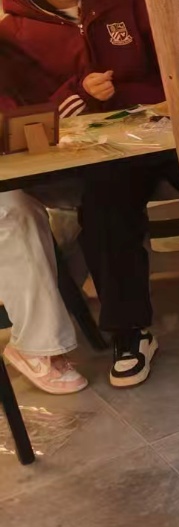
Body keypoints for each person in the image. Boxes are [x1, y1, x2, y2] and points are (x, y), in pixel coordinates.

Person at [0, 0, 164, 386]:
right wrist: (78, 95)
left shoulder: (125, 0)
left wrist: (122, 96)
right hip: (86, 160)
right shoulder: (12, 34)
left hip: (155, 136)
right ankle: (129, 332)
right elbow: (19, 126)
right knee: (105, 203)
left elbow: (172, 73)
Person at [0, 42, 87, 394]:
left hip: (15, 167)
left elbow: (25, 109)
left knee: (93, 191)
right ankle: (35, 345)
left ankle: (57, 305)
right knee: (14, 211)